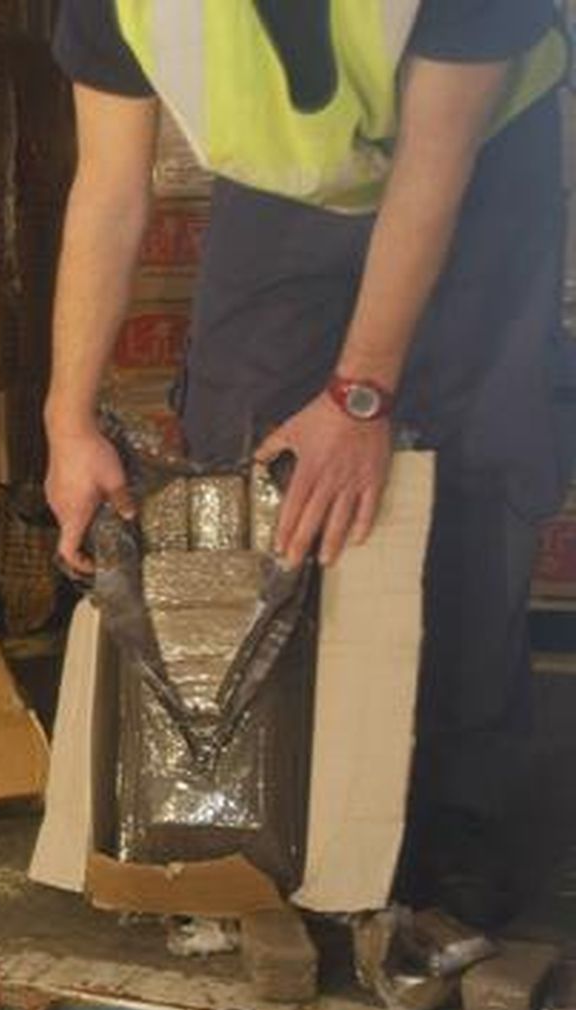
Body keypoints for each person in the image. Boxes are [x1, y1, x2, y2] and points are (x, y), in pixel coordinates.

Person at [43, 1, 572, 926]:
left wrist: (359, 397)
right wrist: (66, 418)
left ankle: (452, 824)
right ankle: (271, 805)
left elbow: (432, 160)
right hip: (288, 186)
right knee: (239, 457)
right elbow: (109, 186)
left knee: (471, 466)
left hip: (477, 157)